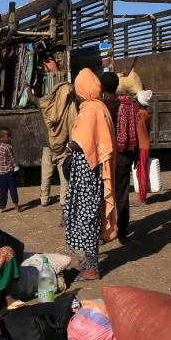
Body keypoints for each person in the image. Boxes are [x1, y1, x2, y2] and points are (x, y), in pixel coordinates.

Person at [63, 68, 117, 282]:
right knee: (90, 215)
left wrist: (68, 145)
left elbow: (82, 142)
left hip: (87, 174)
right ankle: (89, 261)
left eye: (78, 90)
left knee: (87, 218)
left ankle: (93, 269)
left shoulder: (90, 109)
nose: (77, 95)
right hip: (93, 173)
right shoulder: (100, 107)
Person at [100, 72, 139, 243]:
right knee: (122, 196)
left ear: (101, 87)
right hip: (124, 156)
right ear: (117, 86)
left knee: (102, 196)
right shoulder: (128, 105)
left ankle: (103, 232)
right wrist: (136, 154)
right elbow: (135, 130)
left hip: (104, 158)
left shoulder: (99, 106)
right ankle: (122, 232)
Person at [36, 80, 78, 209]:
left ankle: (44, 199)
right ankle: (64, 200)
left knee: (46, 175)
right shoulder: (72, 108)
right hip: (64, 147)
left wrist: (27, 88)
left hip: (47, 145)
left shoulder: (47, 103)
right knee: (64, 176)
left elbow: (34, 99)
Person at [0, 126, 21, 213]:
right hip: (9, 172)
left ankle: (1, 207)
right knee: (13, 189)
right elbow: (12, 159)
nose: (10, 138)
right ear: (1, 137)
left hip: (1, 173)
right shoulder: (8, 147)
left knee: (3, 190)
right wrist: (16, 167)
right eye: (8, 136)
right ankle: (16, 206)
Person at [134, 90, 152, 206]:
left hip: (141, 146)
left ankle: (142, 199)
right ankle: (141, 197)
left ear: (139, 103)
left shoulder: (140, 114)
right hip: (144, 145)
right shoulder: (147, 114)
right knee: (141, 172)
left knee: (141, 173)